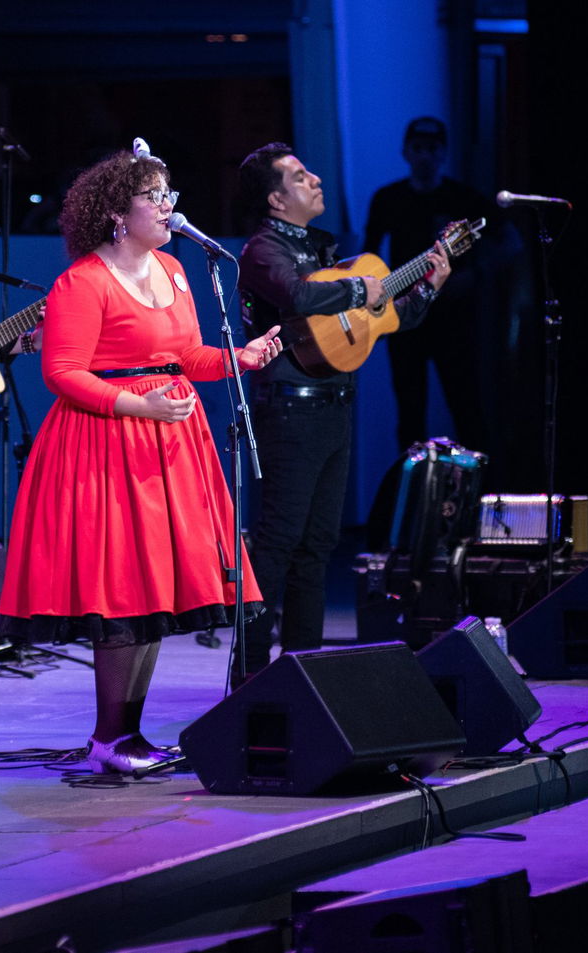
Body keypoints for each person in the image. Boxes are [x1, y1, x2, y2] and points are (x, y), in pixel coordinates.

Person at [0, 147, 282, 774]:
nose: (166, 206)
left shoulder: (176, 270)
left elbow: (185, 357)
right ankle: (110, 738)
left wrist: (239, 358)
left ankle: (128, 736)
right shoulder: (83, 282)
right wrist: (137, 405)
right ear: (116, 213)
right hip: (106, 444)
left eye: (167, 194)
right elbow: (62, 372)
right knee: (123, 592)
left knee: (156, 595)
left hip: (171, 444)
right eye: (152, 196)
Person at [236, 142, 451, 680]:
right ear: (275, 199)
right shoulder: (264, 249)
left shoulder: (319, 250)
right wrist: (360, 287)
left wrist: (427, 288)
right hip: (290, 412)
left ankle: (303, 673)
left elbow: (383, 318)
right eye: (299, 176)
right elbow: (298, 297)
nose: (314, 180)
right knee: (278, 543)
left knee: (317, 547)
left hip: (333, 410)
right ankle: (250, 677)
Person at [362, 116, 493, 452]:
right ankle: (412, 483)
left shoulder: (463, 198)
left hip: (455, 319)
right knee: (410, 413)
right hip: (405, 319)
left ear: (444, 153)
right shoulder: (388, 199)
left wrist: (474, 275)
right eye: (418, 148)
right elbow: (369, 255)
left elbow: (508, 243)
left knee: (467, 406)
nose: (425, 156)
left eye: (433, 149)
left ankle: (477, 482)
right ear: (406, 151)